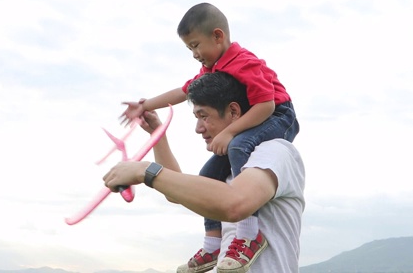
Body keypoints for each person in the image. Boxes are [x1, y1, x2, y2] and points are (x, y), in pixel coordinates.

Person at [120, 2, 300, 269]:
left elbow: (267, 105)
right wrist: (147, 109)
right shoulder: (213, 70)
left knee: (239, 146)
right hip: (251, 121)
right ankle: (213, 245)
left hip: (278, 115)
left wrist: (230, 133)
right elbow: (183, 92)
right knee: (208, 175)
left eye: (204, 116)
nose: (194, 54)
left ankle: (250, 235)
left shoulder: (274, 152)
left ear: (218, 36)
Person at [107, 71, 306, 273]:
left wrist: (144, 171)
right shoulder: (227, 166)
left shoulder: (275, 151)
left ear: (234, 112)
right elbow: (176, 193)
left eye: (203, 116)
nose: (198, 128)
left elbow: (235, 204)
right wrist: (158, 136)